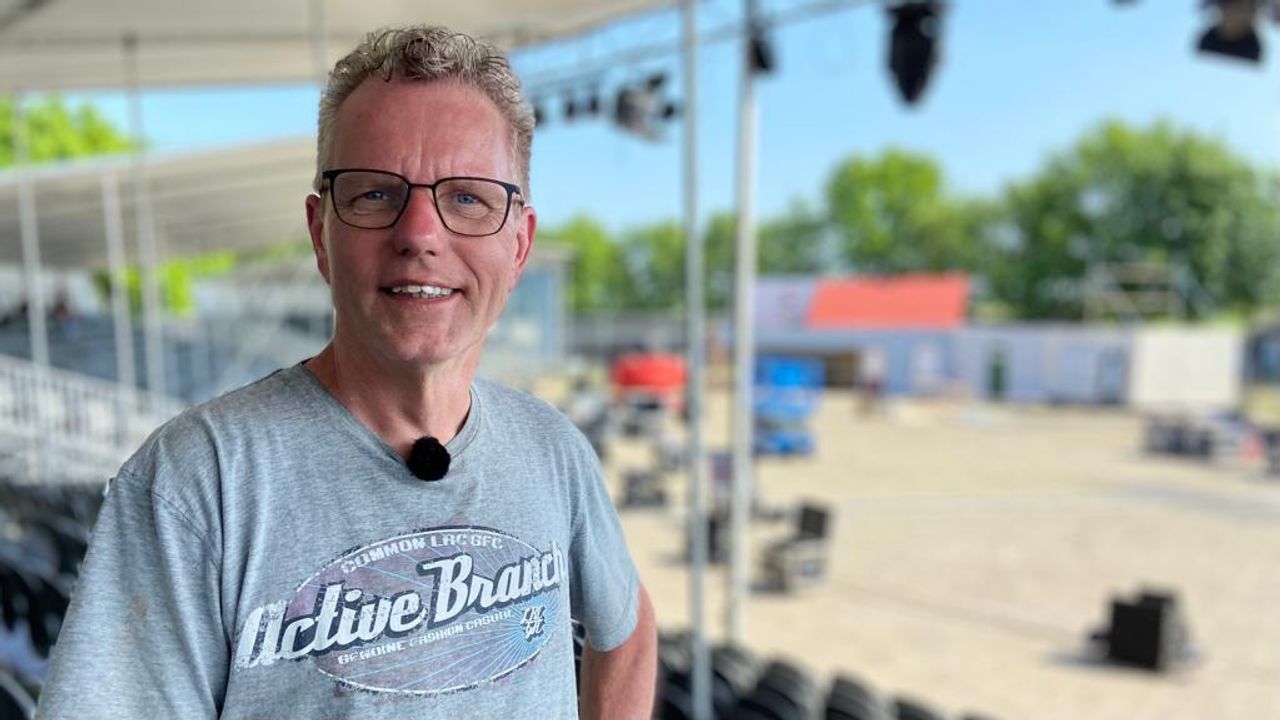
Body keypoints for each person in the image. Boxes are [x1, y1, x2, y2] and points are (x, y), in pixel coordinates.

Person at [36, 25, 656, 720]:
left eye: (469, 198)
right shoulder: (195, 484)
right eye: (373, 195)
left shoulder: (554, 449)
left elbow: (627, 633)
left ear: (519, 246)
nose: (421, 234)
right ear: (319, 233)